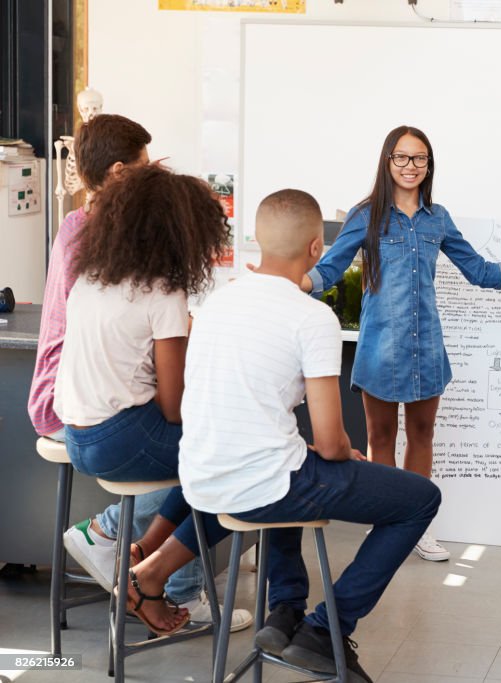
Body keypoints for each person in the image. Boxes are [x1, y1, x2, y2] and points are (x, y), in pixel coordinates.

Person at [129, 189, 440, 682]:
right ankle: (326, 628)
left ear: (257, 240)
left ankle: (285, 611)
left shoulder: (217, 300)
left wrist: (318, 452)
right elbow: (334, 441)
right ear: (318, 248)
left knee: (293, 464)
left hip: (200, 478)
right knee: (419, 499)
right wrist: (344, 455)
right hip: (260, 484)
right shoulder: (312, 316)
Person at [28, 115, 248, 629]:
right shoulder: (161, 289)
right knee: (232, 462)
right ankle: (145, 569)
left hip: (78, 427)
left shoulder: (95, 273)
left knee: (208, 454)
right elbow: (173, 407)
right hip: (113, 432)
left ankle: (140, 557)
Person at [305, 125, 501, 561]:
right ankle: (386, 526)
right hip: (379, 348)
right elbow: (329, 270)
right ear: (388, 161)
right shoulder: (366, 214)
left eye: (419, 158)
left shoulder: (437, 218)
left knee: (423, 434)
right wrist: (289, 282)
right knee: (380, 435)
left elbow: (479, 272)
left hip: (427, 349)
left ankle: (416, 526)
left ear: (429, 165)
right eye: (402, 158)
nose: (411, 166)